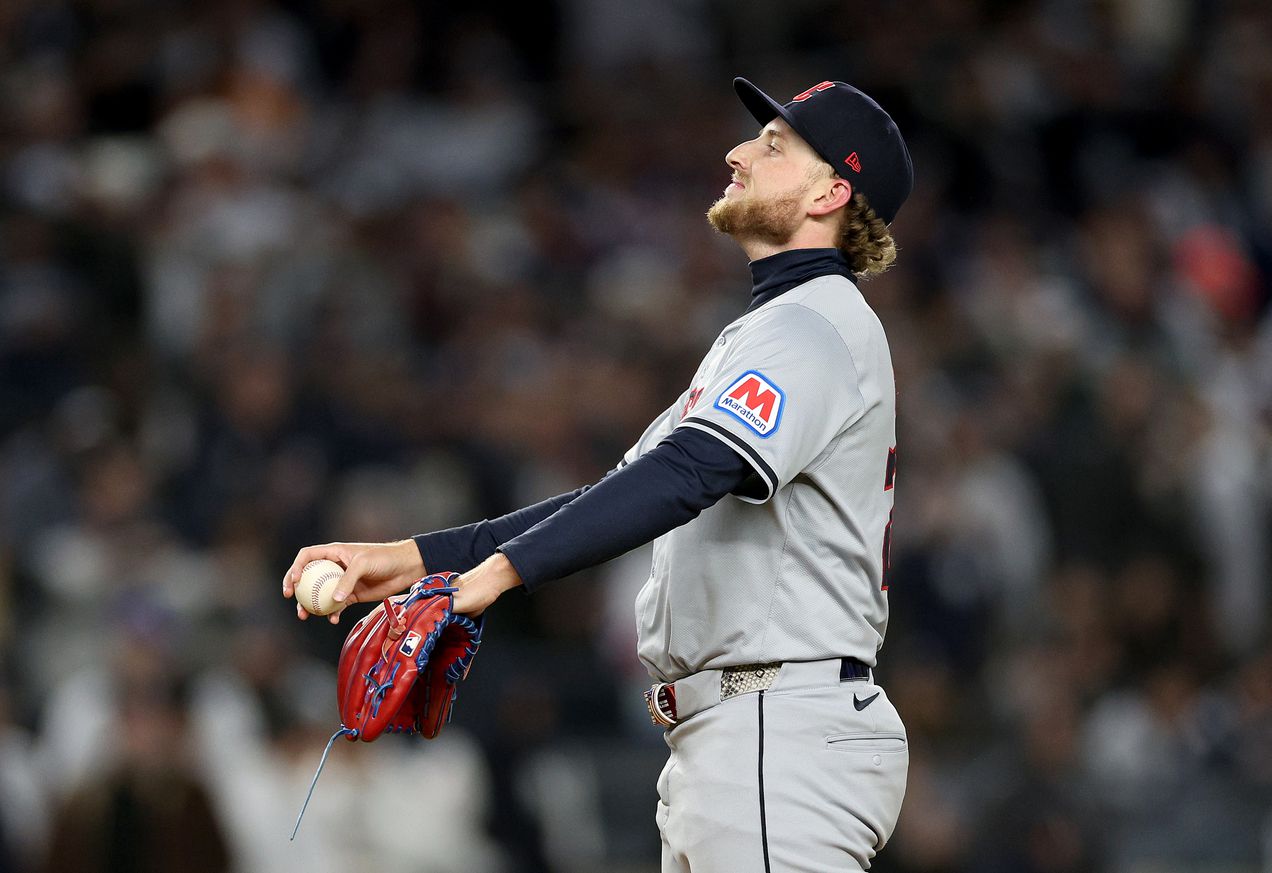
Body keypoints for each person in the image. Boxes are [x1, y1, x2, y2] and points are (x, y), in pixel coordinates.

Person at [283, 76, 913, 871]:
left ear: (831, 190)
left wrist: (492, 580)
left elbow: (687, 472)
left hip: (774, 729)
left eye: (775, 143)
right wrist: (414, 558)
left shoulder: (813, 322)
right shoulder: (775, 330)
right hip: (746, 735)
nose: (740, 150)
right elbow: (616, 494)